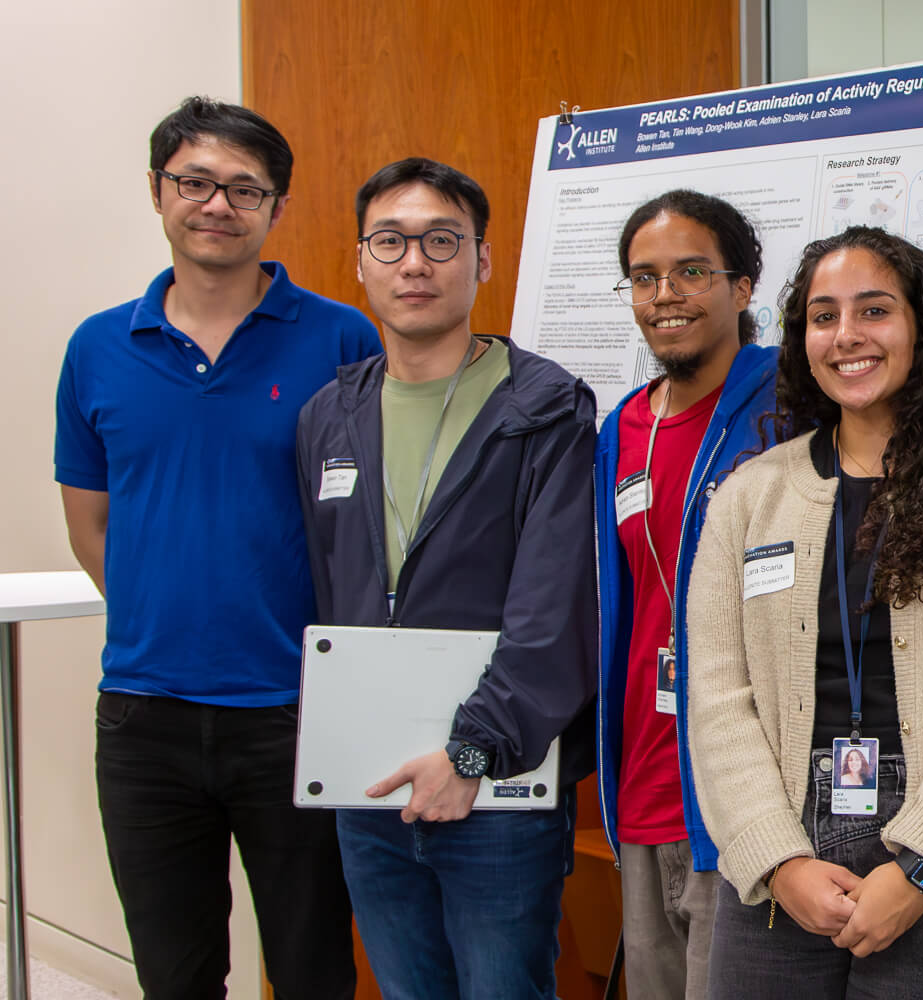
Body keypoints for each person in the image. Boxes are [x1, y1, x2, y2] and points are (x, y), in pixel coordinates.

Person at [686, 226, 923, 999]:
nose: (847, 336)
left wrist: (922, 864)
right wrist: (779, 859)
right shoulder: (748, 498)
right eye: (823, 316)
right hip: (784, 869)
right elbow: (720, 702)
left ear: (922, 328)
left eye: (874, 311)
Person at [53, 96, 380, 999]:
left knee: (315, 967)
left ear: (277, 208)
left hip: (297, 711)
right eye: (194, 182)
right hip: (141, 715)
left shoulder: (341, 339)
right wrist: (170, 618)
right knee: (176, 970)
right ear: (158, 194)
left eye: (245, 188)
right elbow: (91, 524)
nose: (216, 205)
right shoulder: (96, 349)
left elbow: (366, 525)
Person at [295, 157, 597, 999]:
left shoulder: (546, 409)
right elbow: (327, 587)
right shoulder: (329, 415)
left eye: (440, 241)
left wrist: (473, 750)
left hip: (494, 780)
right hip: (371, 782)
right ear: (360, 261)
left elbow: (556, 606)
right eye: (390, 242)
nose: (415, 263)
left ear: (483, 261)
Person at [595, 189, 778, 998]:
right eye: (644, 277)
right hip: (641, 781)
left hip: (742, 795)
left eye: (691, 271)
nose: (665, 295)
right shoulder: (622, 428)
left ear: (743, 287)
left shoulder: (797, 404)